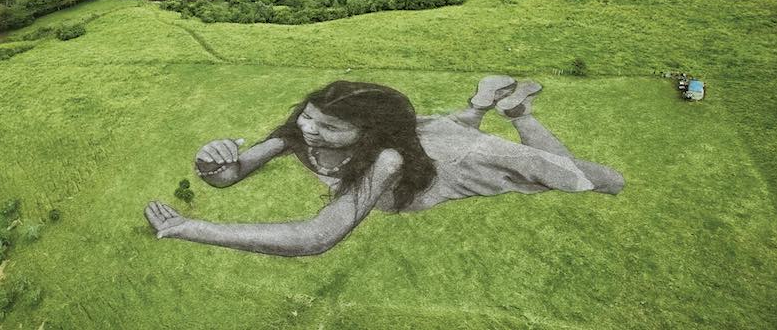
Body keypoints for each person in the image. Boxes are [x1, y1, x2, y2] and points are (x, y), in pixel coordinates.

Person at [145, 78, 624, 256]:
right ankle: (481, 103)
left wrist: (191, 228)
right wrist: (210, 161)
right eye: (309, 116)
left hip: (455, 166)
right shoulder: (299, 132)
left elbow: (315, 237)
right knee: (451, 125)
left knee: (572, 173)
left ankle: (518, 112)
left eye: (330, 127)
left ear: (368, 133)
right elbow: (229, 176)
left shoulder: (388, 158)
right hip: (423, 139)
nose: (311, 131)